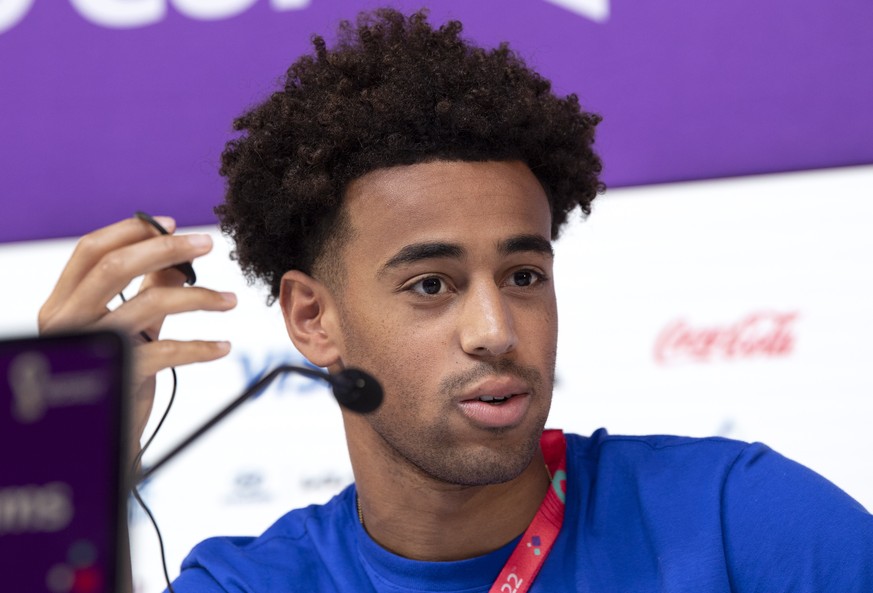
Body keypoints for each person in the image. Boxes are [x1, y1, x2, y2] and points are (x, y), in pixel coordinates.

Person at [39, 8, 873, 592]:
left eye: (523, 275)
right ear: (311, 319)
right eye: (430, 285)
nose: (496, 330)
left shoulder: (744, 521)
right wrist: (66, 460)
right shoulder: (253, 581)